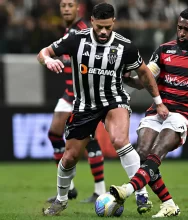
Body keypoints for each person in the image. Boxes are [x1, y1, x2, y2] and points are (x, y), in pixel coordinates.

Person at [37, 2, 169, 216]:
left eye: (108, 27)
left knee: (119, 140)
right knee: (69, 157)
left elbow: (144, 73)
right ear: (92, 22)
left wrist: (158, 101)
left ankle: (141, 193)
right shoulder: (76, 39)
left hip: (114, 100)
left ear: (113, 22)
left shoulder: (124, 46)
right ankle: (61, 200)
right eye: (100, 27)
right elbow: (44, 52)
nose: (104, 32)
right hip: (84, 106)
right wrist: (48, 60)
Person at [110, 8, 188, 218]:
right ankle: (168, 204)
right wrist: (126, 78)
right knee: (142, 154)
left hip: (183, 115)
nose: (182, 33)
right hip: (157, 111)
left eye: (187, 29)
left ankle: (127, 189)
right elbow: (144, 81)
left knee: (156, 152)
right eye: (179, 27)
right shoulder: (164, 51)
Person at [46, 0, 106, 204]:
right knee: (55, 134)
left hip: (81, 95)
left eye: (70, 5)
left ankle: (99, 190)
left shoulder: (83, 31)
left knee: (89, 140)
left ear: (78, 8)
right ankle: (70, 187)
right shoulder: (69, 30)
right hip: (68, 92)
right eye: (63, 5)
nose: (65, 9)